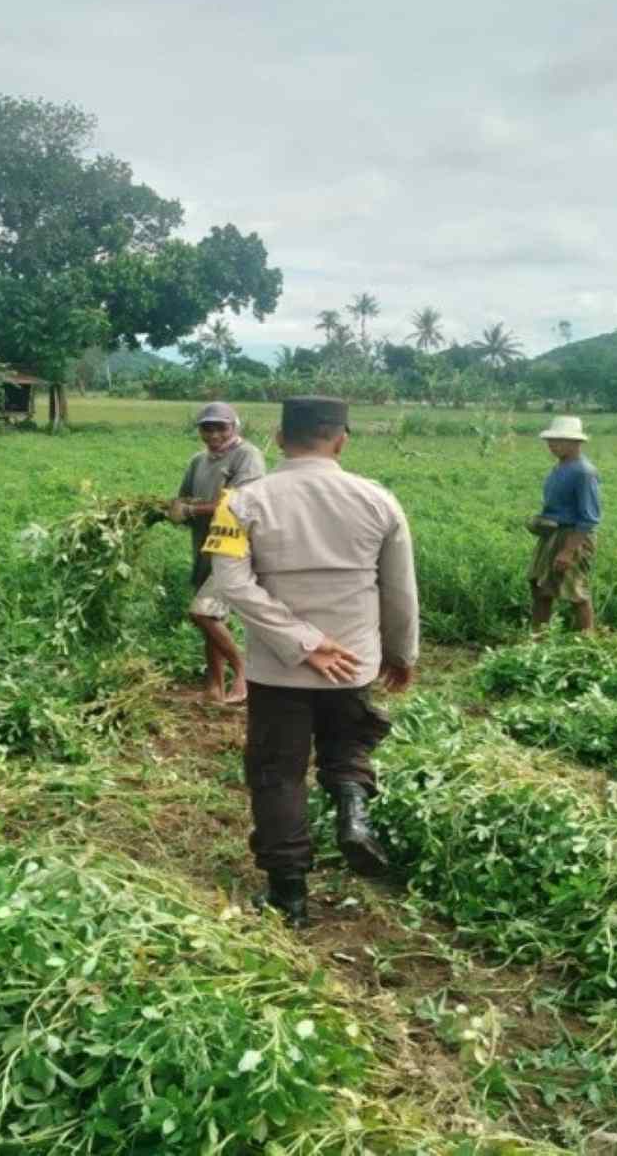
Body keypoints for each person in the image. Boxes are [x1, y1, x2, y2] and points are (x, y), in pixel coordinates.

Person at [206, 396, 419, 928]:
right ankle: (353, 813)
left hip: (278, 670)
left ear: (280, 439)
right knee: (347, 748)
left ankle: (290, 897)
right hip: (353, 661)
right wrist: (401, 653)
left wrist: (302, 642)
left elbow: (232, 585)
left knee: (277, 774)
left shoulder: (237, 503)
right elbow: (399, 589)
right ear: (341, 440)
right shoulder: (380, 500)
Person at [167, 402, 267, 703]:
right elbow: (184, 498)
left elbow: (240, 504)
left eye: (220, 428)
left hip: (234, 550)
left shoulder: (247, 456)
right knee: (211, 618)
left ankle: (244, 672)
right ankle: (214, 688)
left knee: (203, 613)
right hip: (204, 549)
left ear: (234, 427)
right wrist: (171, 508)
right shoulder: (199, 461)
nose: (213, 435)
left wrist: (191, 510)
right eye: (206, 428)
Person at [528, 416, 601, 634]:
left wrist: (568, 551)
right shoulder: (560, 467)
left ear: (575, 442)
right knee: (540, 587)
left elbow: (589, 518)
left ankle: (587, 642)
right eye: (550, 440)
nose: (551, 445)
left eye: (558, 440)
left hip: (573, 537)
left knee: (575, 591)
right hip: (552, 535)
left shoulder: (584, 472)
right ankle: (538, 640)